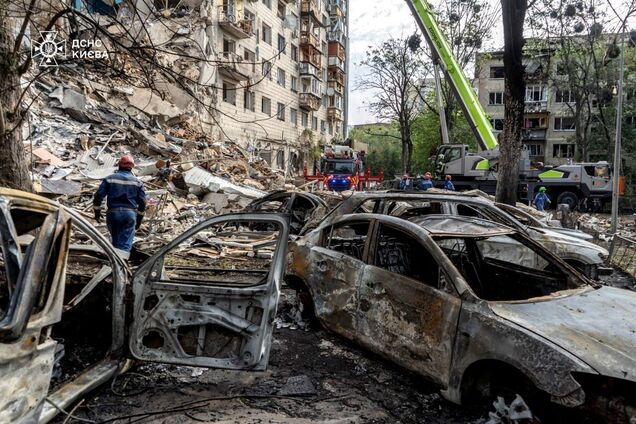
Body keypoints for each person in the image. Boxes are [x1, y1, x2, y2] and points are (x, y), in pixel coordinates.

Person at [93, 155, 146, 258]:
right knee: (125, 244)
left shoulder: (110, 179)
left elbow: (98, 196)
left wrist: (97, 212)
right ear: (132, 167)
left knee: (116, 241)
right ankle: (122, 263)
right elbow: (143, 203)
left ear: (119, 165)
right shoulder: (138, 182)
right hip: (129, 214)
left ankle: (114, 263)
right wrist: (139, 220)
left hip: (113, 214)